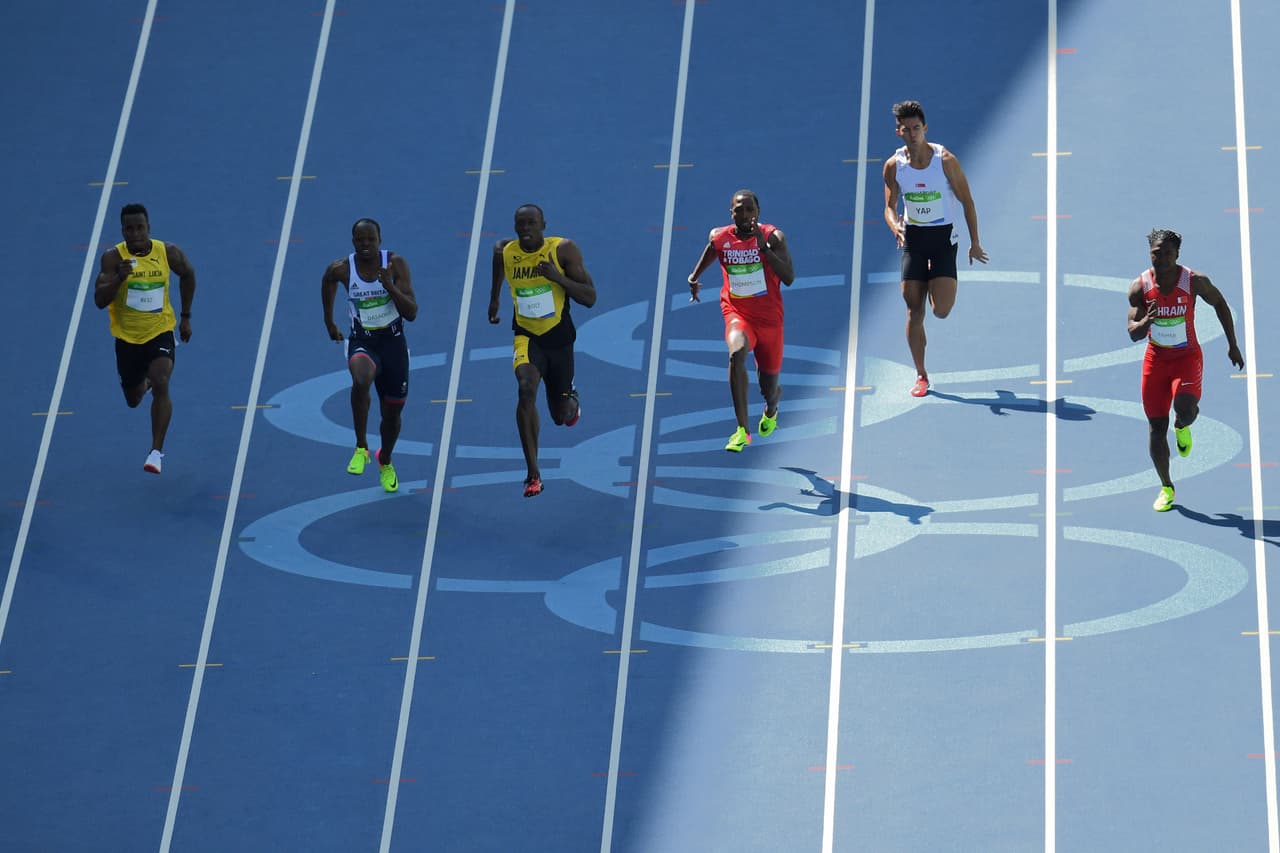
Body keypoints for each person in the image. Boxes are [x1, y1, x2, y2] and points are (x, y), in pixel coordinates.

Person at [1127, 228, 1244, 512]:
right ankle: (1167, 487)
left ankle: (1182, 426)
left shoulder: (1193, 281)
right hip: (1156, 361)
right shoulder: (1140, 287)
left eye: (1168, 253)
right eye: (1157, 253)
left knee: (1185, 408)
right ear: (1150, 254)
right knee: (1156, 428)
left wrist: (1232, 344)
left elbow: (1220, 303)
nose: (1162, 258)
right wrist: (1146, 322)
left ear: (1177, 254)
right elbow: (1132, 333)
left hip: (1186, 358)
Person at [488, 204, 596, 497]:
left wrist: (557, 277)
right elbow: (499, 264)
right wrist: (494, 300)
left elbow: (590, 298)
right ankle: (533, 473)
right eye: (520, 223)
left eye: (531, 223)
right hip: (527, 337)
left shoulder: (563, 251)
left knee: (561, 416)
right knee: (525, 390)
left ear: (543, 225)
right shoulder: (505, 251)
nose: (525, 228)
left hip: (559, 340)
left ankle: (571, 398)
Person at [883, 100, 988, 397]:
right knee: (913, 310)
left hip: (943, 241)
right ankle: (921, 374)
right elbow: (889, 207)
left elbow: (967, 201)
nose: (913, 134)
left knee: (940, 311)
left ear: (925, 128)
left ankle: (933, 284)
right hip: (914, 240)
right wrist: (895, 226)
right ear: (899, 132)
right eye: (907, 129)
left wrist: (975, 242)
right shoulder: (894, 166)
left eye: (917, 128)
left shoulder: (946, 161)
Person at [687, 189, 795, 452]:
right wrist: (694, 277)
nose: (745, 215)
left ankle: (772, 406)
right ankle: (742, 431)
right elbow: (712, 250)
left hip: (770, 322)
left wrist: (764, 249)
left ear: (758, 212)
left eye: (749, 210)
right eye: (739, 210)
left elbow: (789, 277)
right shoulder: (720, 237)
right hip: (738, 315)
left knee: (768, 388)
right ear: (731, 213)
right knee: (736, 354)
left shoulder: (774, 237)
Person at [93, 203, 196, 475]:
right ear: (123, 231)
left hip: (160, 331)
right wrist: (119, 278)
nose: (136, 233)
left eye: (140, 227)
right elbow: (99, 301)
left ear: (148, 227)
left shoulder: (167, 252)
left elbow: (188, 274)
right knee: (134, 398)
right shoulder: (113, 258)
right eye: (130, 229)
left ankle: (155, 452)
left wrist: (185, 317)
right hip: (127, 340)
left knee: (162, 381)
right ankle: (145, 381)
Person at [321, 218, 418, 493]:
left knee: (392, 415)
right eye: (360, 240)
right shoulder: (342, 269)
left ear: (380, 239)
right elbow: (327, 281)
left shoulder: (395, 264)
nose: (365, 244)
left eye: (370, 239)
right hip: (363, 342)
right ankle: (361, 447)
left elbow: (412, 312)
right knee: (361, 379)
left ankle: (384, 459)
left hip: (393, 344)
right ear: (353, 241)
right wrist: (329, 321)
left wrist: (390, 287)